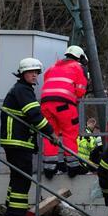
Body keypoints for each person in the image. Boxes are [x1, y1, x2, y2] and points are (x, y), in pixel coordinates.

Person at [0, 58, 57, 216]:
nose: (35, 75)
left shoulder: (21, 89)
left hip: (16, 141)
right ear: (23, 73)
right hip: (18, 142)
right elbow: (35, 116)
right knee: (23, 179)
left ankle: (11, 210)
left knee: (17, 177)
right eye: (31, 72)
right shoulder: (23, 90)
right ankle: (17, 215)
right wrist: (51, 133)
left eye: (36, 72)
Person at [40, 45, 89, 178]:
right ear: (80, 57)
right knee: (69, 133)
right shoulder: (78, 68)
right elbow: (80, 91)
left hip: (45, 104)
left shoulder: (52, 67)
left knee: (51, 135)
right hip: (64, 105)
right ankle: (73, 167)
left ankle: (49, 169)